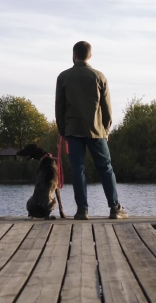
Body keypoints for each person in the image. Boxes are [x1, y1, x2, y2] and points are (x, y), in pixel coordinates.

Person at [55, 41, 128, 220]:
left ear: (74, 55)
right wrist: (106, 129)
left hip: (73, 131)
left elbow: (60, 107)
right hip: (97, 131)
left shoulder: (63, 77)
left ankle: (82, 211)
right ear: (90, 55)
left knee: (78, 169)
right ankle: (114, 208)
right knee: (106, 169)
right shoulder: (99, 76)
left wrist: (62, 131)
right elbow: (107, 108)